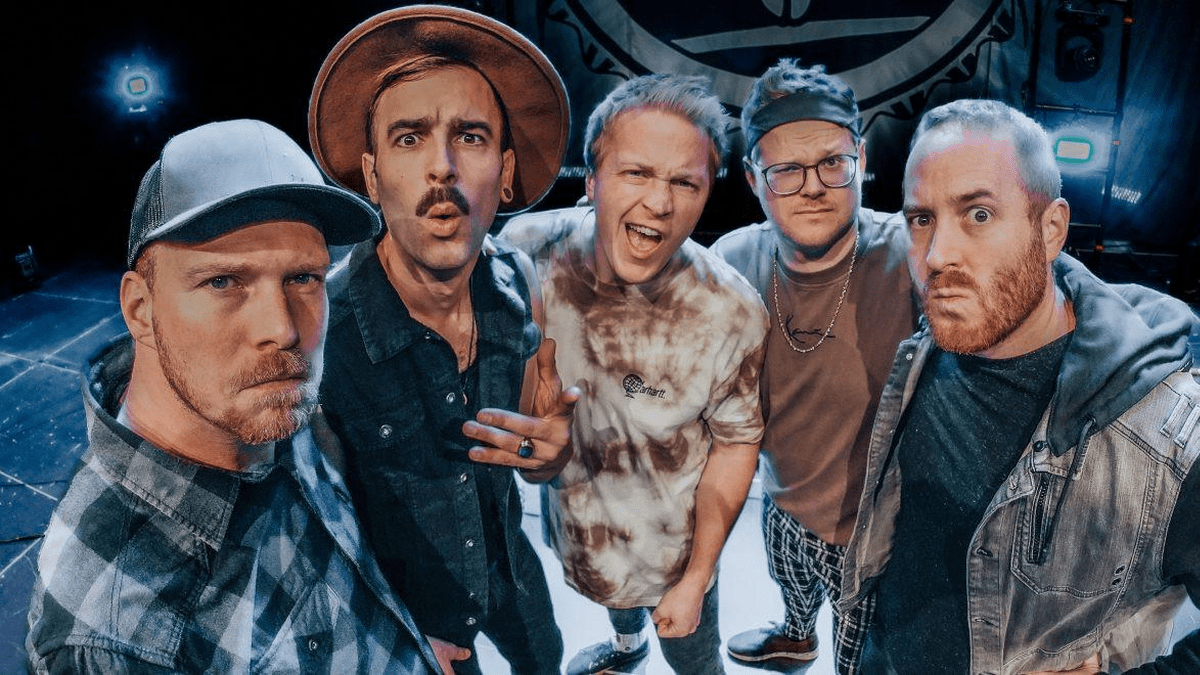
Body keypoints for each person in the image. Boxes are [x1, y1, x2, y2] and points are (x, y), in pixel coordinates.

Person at [25, 119, 439, 674]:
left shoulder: (261, 405)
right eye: (223, 282)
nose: (283, 330)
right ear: (141, 309)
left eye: (304, 277)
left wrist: (405, 636)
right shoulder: (112, 637)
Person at [841, 98, 1200, 674]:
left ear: (1050, 228)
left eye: (978, 214)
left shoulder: (1166, 430)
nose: (937, 255)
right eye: (922, 219)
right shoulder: (931, 345)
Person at [307, 6, 578, 674]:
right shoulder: (322, 336)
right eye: (409, 138)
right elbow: (314, 529)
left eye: (471, 136)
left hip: (507, 565)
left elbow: (527, 445)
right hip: (412, 610)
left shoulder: (517, 281)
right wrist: (383, 624)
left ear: (505, 173)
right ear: (372, 176)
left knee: (546, 657)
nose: (442, 167)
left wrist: (547, 459)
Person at [500, 73, 769, 675]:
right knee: (617, 609)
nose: (660, 203)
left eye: (684, 182)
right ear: (592, 181)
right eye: (637, 173)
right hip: (578, 532)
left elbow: (736, 443)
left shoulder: (731, 311)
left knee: (694, 661)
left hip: (673, 556)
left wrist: (696, 579)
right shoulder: (526, 253)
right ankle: (628, 648)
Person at [711, 59, 917, 673]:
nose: (813, 187)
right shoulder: (730, 264)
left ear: (860, 157)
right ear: (753, 179)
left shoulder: (912, 256)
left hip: (878, 538)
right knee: (792, 588)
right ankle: (797, 639)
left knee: (861, 660)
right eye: (786, 170)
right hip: (784, 502)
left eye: (832, 163)